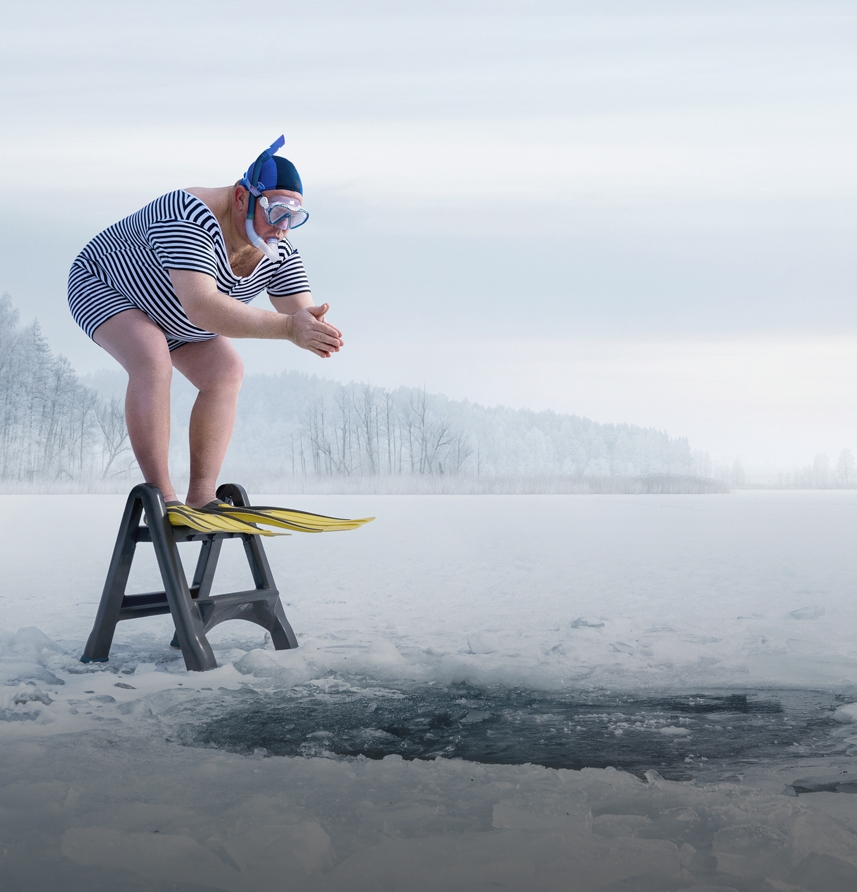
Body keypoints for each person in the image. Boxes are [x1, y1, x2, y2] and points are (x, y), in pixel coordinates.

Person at [68, 136, 343, 517]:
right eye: (276, 211)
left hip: (176, 312)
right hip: (107, 287)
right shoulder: (189, 213)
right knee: (152, 359)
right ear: (241, 197)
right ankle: (164, 499)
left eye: (293, 217)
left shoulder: (278, 248)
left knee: (227, 372)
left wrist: (312, 329)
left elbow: (300, 313)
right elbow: (202, 307)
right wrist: (288, 329)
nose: (283, 227)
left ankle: (202, 496)